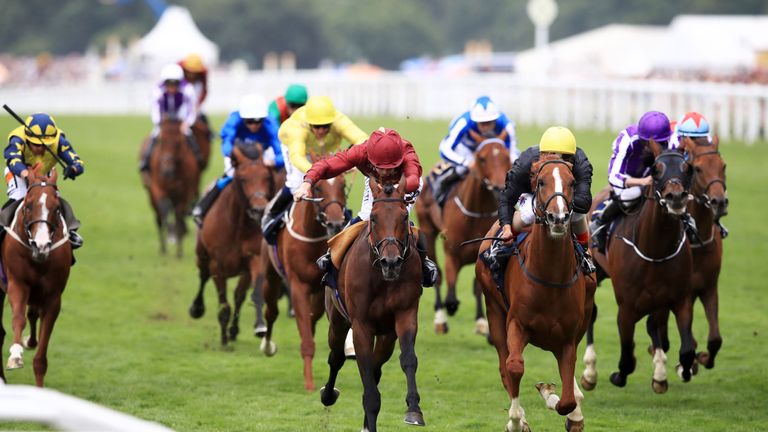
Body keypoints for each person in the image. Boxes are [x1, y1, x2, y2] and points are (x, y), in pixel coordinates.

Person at [294, 127, 438, 287]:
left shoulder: (407, 150)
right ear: (370, 157)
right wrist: (308, 182)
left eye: (390, 167)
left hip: (405, 185)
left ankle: (425, 262)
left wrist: (397, 190)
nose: (385, 171)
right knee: (366, 215)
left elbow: (413, 179)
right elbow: (328, 165)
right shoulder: (360, 152)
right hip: (375, 183)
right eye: (380, 166)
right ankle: (332, 254)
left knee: (397, 217)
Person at [261, 96, 368, 242]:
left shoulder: (339, 120)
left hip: (323, 148)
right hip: (295, 148)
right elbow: (297, 157)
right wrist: (318, 171)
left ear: (333, 121)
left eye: (326, 126)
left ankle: (341, 216)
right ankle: (273, 214)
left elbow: (363, 140)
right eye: (317, 126)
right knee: (296, 182)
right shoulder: (297, 129)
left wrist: (352, 159)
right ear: (308, 123)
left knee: (333, 182)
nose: (322, 130)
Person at [497, 126, 595, 274]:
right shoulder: (526, 162)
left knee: (578, 215)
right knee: (528, 214)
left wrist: (560, 204)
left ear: (573, 156)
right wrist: (505, 226)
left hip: (564, 196)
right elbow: (507, 198)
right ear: (542, 155)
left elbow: (584, 202)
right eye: (553, 156)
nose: (560, 162)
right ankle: (501, 248)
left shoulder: (581, 163)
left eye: (567, 158)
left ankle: (584, 253)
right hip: (534, 195)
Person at [589, 111, 685, 252]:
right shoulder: (627, 139)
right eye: (654, 143)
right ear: (644, 140)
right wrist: (642, 182)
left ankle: (687, 222)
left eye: (662, 143)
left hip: (657, 177)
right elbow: (614, 176)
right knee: (633, 194)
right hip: (629, 180)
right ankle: (600, 222)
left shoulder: (672, 139)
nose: (658, 148)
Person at [192, 94, 283, 225]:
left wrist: (274, 162)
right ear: (242, 118)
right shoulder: (234, 119)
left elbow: (281, 153)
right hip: (239, 154)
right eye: (250, 121)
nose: (254, 125)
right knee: (229, 174)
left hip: (263, 155)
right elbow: (226, 143)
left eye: (259, 121)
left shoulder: (270, 123)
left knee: (275, 178)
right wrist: (234, 155)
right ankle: (202, 208)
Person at [1, 113, 85, 248]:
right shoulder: (17, 138)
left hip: (44, 176)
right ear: (28, 139)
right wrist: (26, 174)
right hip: (19, 173)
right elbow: (13, 160)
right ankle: (2, 227)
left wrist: (73, 169)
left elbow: (78, 162)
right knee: (18, 197)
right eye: (36, 145)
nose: (41, 149)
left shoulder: (59, 141)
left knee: (54, 202)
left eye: (46, 146)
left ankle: (70, 231)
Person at [430, 95, 519, 204]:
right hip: (466, 148)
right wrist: (466, 163)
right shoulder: (463, 123)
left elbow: (512, 150)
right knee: (462, 169)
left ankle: (519, 201)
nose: (486, 127)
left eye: (489, 122)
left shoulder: (507, 125)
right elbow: (444, 148)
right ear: (474, 120)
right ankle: (442, 186)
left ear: (495, 120)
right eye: (482, 123)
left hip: (492, 150)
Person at [671, 111, 728, 238]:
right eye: (691, 139)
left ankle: (716, 220)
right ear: (684, 137)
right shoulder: (673, 142)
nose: (696, 142)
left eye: (698, 139)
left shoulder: (707, 142)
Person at [139, 63, 204, 172]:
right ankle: (146, 160)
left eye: (175, 83)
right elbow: (155, 108)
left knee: (189, 134)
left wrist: (186, 123)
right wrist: (159, 122)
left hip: (180, 117)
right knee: (155, 134)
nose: (172, 87)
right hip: (165, 117)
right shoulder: (157, 90)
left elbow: (191, 109)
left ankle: (198, 159)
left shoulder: (188, 89)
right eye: (169, 83)